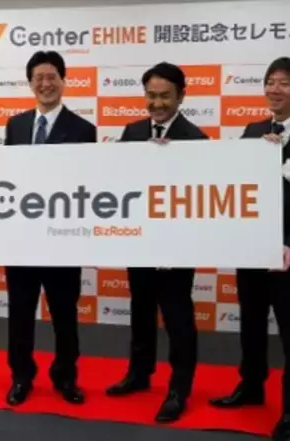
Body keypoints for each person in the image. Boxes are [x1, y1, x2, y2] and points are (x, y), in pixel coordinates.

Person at [209, 56, 290, 441]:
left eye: (283, 83)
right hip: (252, 249)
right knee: (250, 323)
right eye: (269, 82)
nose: (273, 90)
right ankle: (251, 386)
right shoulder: (252, 131)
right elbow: (236, 186)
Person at [105, 62, 207, 423]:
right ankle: (139, 373)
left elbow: (200, 198)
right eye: (151, 95)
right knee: (141, 309)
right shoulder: (132, 131)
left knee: (178, 316)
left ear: (181, 96)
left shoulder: (196, 139)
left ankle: (180, 388)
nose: (157, 103)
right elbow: (118, 183)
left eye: (165, 96)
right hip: (140, 241)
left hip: (176, 247)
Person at [0, 51, 96, 406]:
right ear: (30, 83)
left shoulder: (84, 130)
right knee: (20, 313)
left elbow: (88, 185)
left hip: (62, 240)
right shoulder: (15, 126)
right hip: (22, 241)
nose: (46, 83)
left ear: (63, 81)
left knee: (65, 314)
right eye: (39, 77)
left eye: (52, 76)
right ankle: (21, 376)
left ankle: (66, 376)